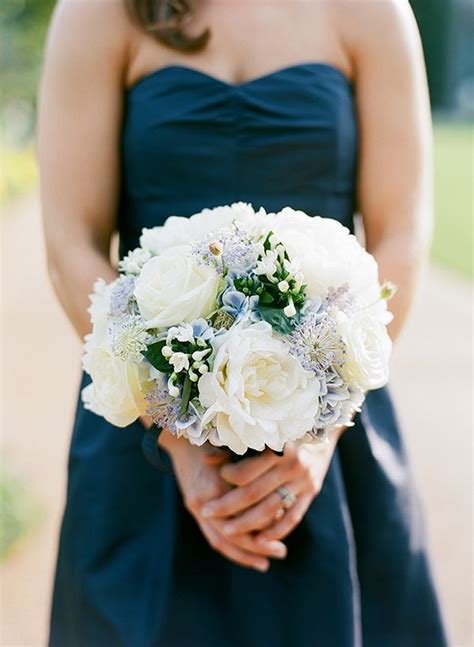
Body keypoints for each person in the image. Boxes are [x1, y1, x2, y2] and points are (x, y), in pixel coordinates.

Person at [37, 0, 448, 645]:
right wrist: (170, 426)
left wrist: (319, 428)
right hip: (142, 436)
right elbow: (71, 242)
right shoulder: (97, 13)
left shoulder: (373, 12)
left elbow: (400, 233)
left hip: (329, 437)